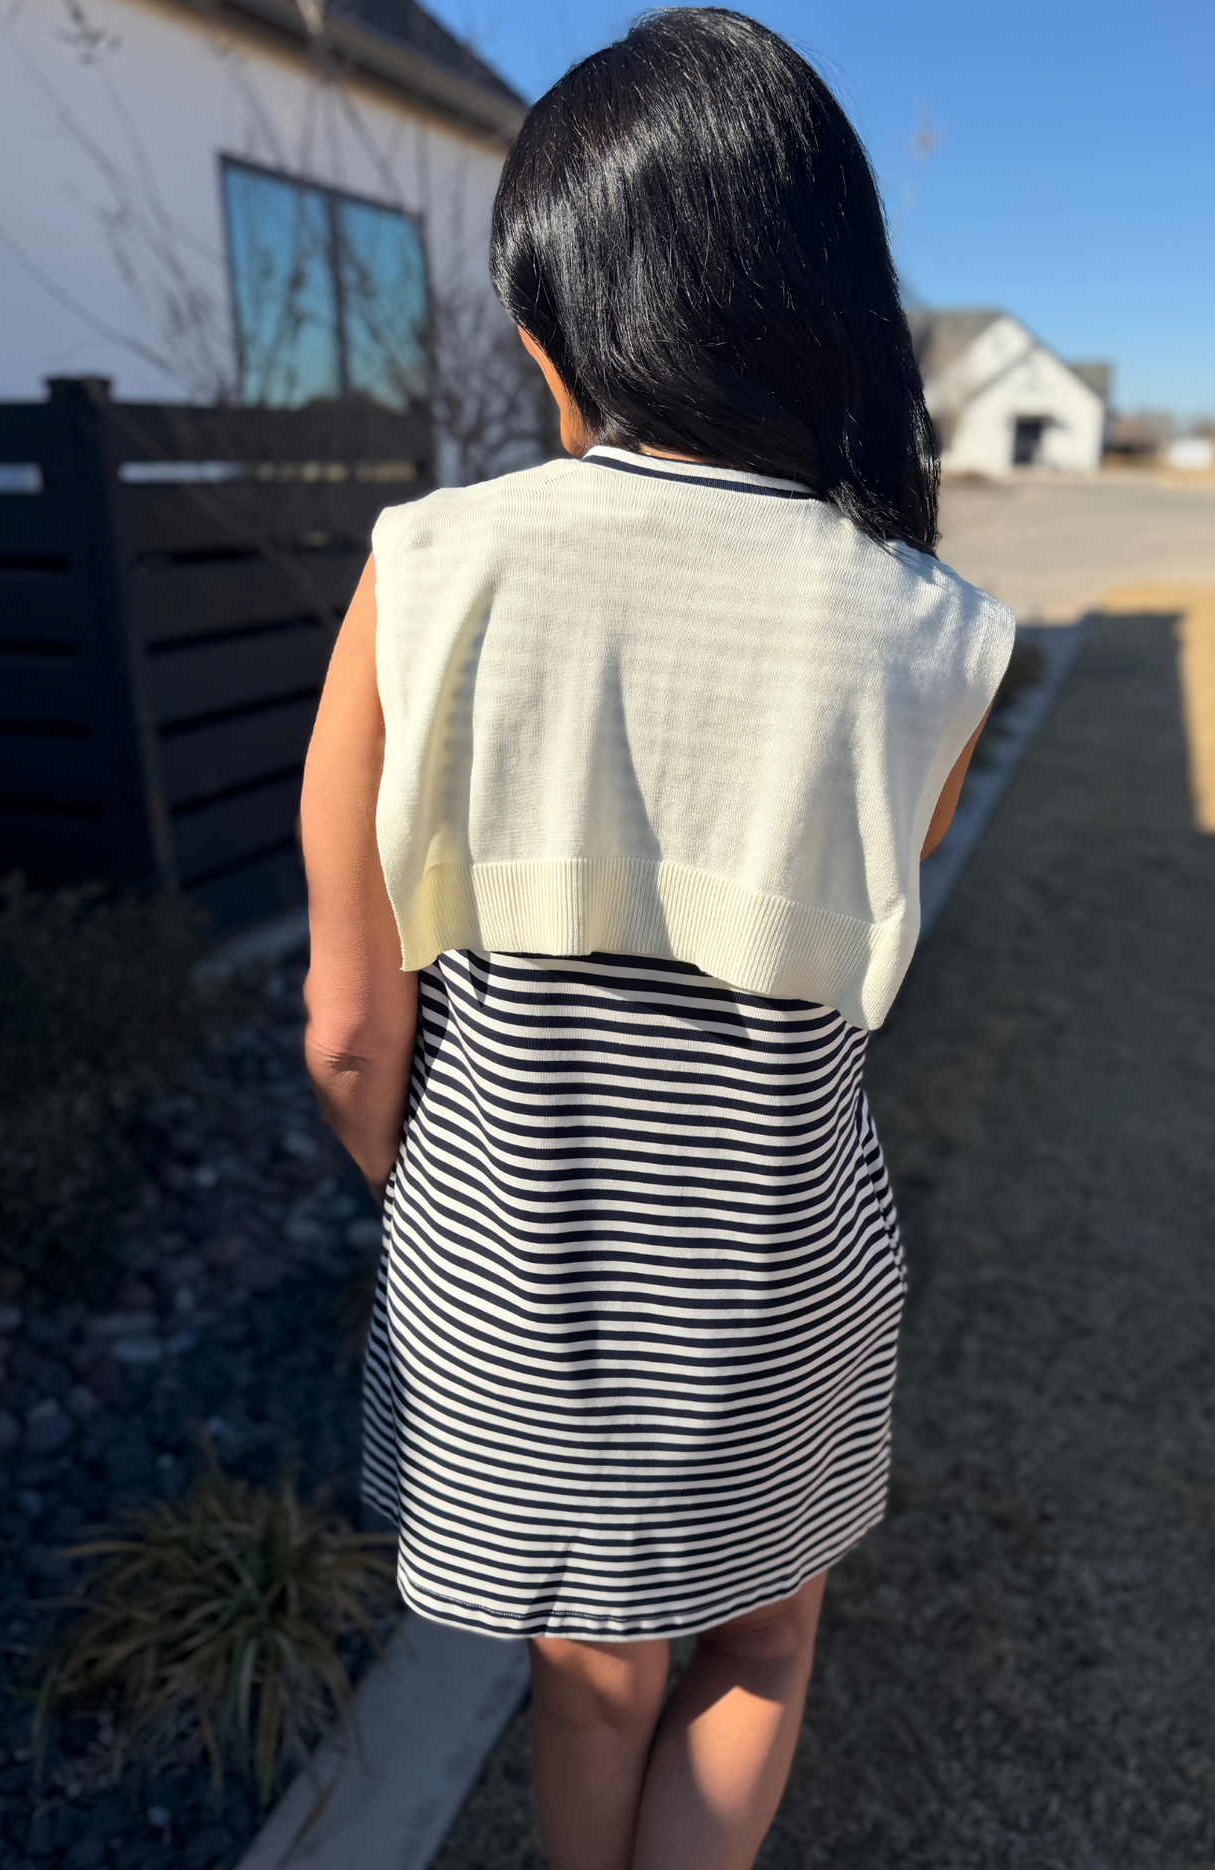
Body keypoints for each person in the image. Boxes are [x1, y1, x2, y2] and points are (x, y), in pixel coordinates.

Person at [299, 10, 1014, 1867]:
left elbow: (349, 1030)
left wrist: (430, 1182)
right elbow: (856, 954)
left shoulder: (430, 567)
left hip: (521, 1264)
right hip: (779, 1260)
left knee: (592, 1669)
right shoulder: (932, 629)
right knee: (764, 1636)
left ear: (570, 310)